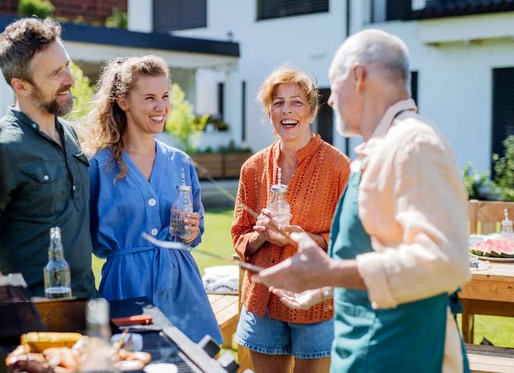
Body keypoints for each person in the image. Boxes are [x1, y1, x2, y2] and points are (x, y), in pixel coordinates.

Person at [255, 29, 472, 373]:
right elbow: (380, 251)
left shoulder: (415, 145)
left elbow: (446, 260)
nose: (329, 100)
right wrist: (325, 285)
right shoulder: (379, 149)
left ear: (357, 76)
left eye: (333, 84)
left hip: (402, 355)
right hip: (368, 353)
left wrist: (330, 270)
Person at [84, 55, 223, 345]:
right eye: (149, 98)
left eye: (165, 96)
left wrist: (193, 231)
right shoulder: (100, 166)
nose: (161, 107)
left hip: (181, 287)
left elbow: (194, 236)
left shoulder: (180, 163)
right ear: (124, 102)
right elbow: (87, 238)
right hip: (126, 287)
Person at [0, 17, 98, 298]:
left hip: (87, 303)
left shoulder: (70, 133)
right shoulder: (0, 147)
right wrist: (12, 302)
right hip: (36, 315)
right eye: (55, 74)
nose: (70, 79)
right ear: (20, 86)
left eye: (67, 66)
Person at [231, 66, 351, 373]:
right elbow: (239, 235)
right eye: (278, 102)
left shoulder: (340, 167)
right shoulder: (253, 168)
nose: (287, 110)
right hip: (263, 301)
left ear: (311, 111)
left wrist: (303, 239)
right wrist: (259, 235)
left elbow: (348, 242)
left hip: (317, 303)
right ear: (268, 112)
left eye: (296, 102)